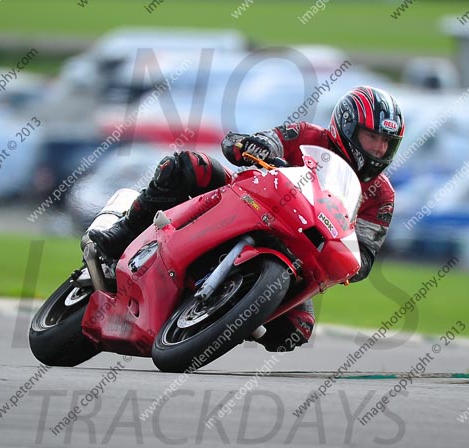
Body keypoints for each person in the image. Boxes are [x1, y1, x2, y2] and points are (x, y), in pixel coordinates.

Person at [89, 86, 404, 352]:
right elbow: (250, 142)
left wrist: (350, 260)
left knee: (297, 330)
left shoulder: (381, 197)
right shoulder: (307, 135)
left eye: (385, 142)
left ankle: (219, 317)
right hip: (248, 202)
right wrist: (255, 146)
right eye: (370, 137)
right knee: (186, 165)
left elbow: (364, 255)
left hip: (301, 257)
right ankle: (125, 230)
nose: (378, 148)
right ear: (347, 128)